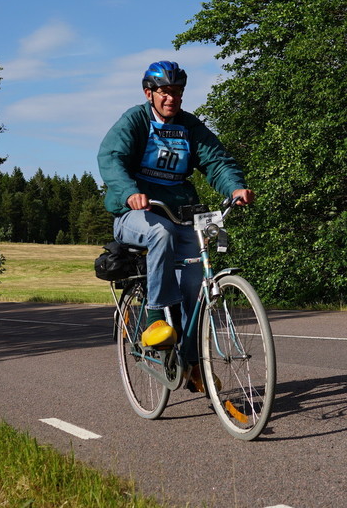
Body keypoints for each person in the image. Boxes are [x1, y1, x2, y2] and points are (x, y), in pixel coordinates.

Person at [97, 60, 253, 390]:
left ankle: (194, 363)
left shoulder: (188, 126)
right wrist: (129, 193)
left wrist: (234, 187)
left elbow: (216, 161)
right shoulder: (135, 120)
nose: (172, 98)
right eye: (165, 92)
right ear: (149, 93)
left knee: (196, 292)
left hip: (182, 212)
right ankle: (155, 321)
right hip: (136, 215)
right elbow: (111, 158)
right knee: (159, 233)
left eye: (177, 92)